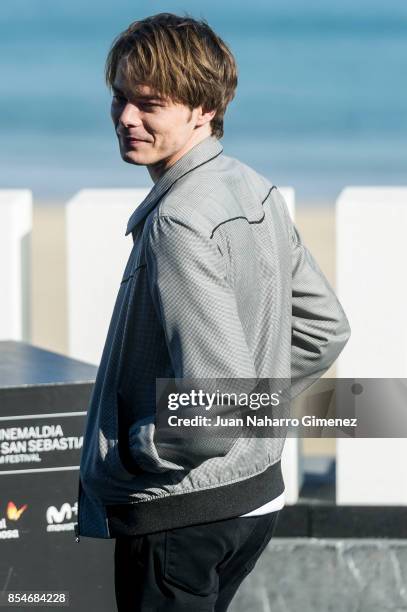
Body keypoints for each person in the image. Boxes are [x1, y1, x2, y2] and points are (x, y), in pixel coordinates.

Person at [74, 12, 351, 611]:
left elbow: (217, 403)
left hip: (180, 512)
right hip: (252, 500)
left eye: (150, 104)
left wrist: (136, 450)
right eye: (120, 97)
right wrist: (255, 409)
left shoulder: (178, 223)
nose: (125, 117)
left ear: (204, 108)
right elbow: (325, 331)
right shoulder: (252, 187)